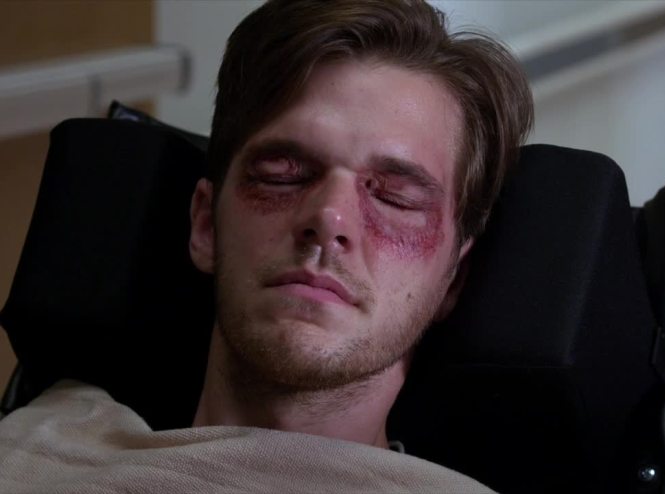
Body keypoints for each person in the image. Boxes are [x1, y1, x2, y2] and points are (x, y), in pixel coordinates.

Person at [0, 0, 532, 491]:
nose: (329, 218)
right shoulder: (32, 454)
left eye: (395, 196)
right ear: (206, 226)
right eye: (284, 174)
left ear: (454, 280)